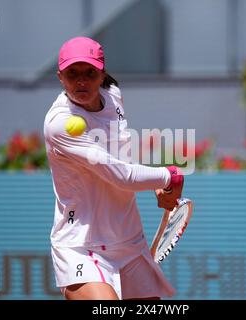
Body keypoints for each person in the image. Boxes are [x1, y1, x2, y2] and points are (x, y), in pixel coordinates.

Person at [43, 36, 184, 300]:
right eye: (73, 74)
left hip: (129, 242)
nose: (81, 81)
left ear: (102, 75)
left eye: (90, 73)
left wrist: (153, 184)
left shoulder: (114, 96)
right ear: (60, 77)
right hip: (81, 246)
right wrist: (169, 176)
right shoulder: (60, 124)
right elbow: (121, 176)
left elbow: (121, 159)